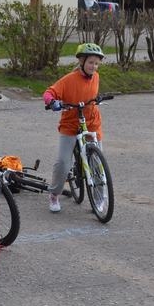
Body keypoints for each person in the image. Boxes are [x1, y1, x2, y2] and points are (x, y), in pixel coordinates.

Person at [42, 42, 105, 213]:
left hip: (91, 123)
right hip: (70, 125)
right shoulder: (69, 80)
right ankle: (54, 194)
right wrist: (53, 102)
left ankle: (99, 197)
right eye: (91, 62)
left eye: (96, 63)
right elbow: (49, 93)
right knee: (63, 163)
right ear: (82, 61)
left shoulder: (96, 77)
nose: (94, 66)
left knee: (97, 163)